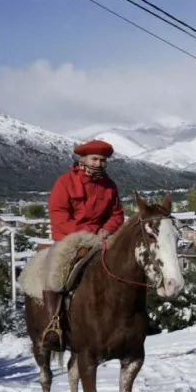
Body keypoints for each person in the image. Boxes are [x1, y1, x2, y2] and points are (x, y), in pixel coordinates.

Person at [40, 139, 125, 348]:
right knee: (55, 276)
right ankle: (54, 325)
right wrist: (86, 233)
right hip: (69, 236)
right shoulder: (65, 182)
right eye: (94, 159)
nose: (98, 164)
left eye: (102, 161)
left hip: (102, 237)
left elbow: (117, 214)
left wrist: (107, 229)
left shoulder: (109, 185)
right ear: (83, 159)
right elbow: (58, 214)